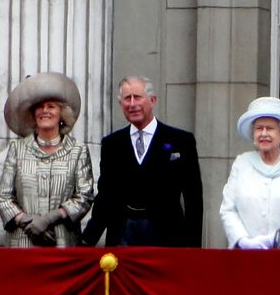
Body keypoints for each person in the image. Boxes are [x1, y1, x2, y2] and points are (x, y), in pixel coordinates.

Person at [81, 76, 203, 247]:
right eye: (127, 98)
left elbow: (193, 197)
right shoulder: (112, 144)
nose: (132, 104)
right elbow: (106, 197)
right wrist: (87, 242)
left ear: (152, 100)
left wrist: (193, 247)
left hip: (168, 237)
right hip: (123, 236)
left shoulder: (180, 140)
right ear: (121, 104)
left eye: (137, 97)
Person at [0, 73, 94, 247]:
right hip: (22, 243)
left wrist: (50, 218)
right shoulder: (17, 149)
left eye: (51, 106)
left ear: (62, 114)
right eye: (39, 107)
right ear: (33, 114)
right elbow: (3, 197)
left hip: (62, 242)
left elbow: (85, 196)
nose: (44, 111)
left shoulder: (78, 150)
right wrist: (27, 221)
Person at [220, 97, 280, 249]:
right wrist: (243, 241)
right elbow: (228, 209)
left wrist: (275, 240)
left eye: (270, 128)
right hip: (247, 257)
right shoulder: (242, 164)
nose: (264, 133)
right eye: (259, 128)